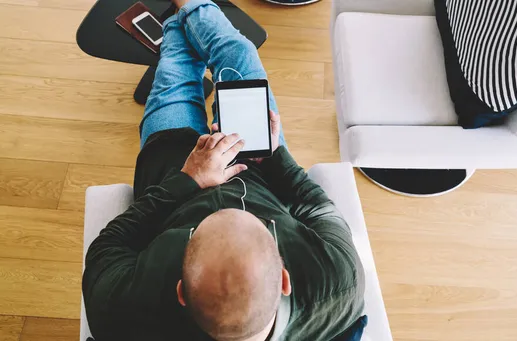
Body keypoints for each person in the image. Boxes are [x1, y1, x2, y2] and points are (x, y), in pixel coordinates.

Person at [82, 0, 365, 340]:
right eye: (262, 223)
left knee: (176, 66)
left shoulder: (120, 312)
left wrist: (189, 180)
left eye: (196, 230)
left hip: (171, 169)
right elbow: (318, 207)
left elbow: (108, 245)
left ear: (181, 291)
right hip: (260, 164)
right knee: (238, 53)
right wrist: (273, 157)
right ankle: (189, 9)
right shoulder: (337, 282)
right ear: (285, 280)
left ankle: (181, 14)